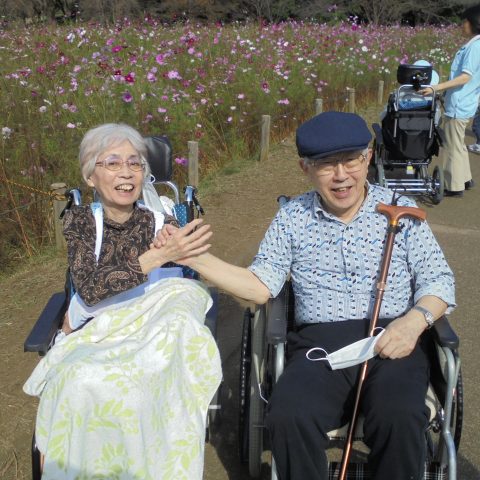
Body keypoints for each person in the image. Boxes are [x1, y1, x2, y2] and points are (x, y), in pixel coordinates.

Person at [162, 111, 455, 480]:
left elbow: (439, 281)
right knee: (288, 415)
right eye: (326, 164)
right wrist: (192, 257)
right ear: (305, 168)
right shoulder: (292, 218)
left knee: (398, 415)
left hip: (394, 339)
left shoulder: (403, 212)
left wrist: (414, 323)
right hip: (321, 349)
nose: (341, 175)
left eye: (351, 160)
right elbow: (260, 284)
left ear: (368, 157)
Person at [23, 123, 222, 480]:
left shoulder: (161, 221)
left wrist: (177, 248)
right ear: (90, 176)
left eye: (135, 163)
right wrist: (158, 257)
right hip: (101, 329)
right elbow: (91, 289)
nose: (126, 173)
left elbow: (184, 286)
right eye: (112, 163)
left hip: (155, 329)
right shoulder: (82, 222)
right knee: (78, 381)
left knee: (146, 386)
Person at [420, 4, 480, 196]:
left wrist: (435, 88)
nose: (462, 25)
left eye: (465, 21)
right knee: (458, 144)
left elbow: (466, 77)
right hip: (464, 103)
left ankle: (454, 187)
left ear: (474, 23)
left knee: (452, 147)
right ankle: (464, 179)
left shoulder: (475, 47)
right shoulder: (475, 45)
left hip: (459, 104)